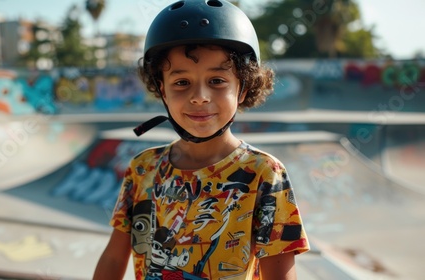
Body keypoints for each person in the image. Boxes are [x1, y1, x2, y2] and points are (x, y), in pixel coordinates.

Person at [92, 0, 309, 279]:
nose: (200, 96)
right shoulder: (143, 169)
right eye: (181, 83)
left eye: (217, 81)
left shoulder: (264, 174)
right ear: (162, 90)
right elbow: (113, 257)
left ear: (242, 88)